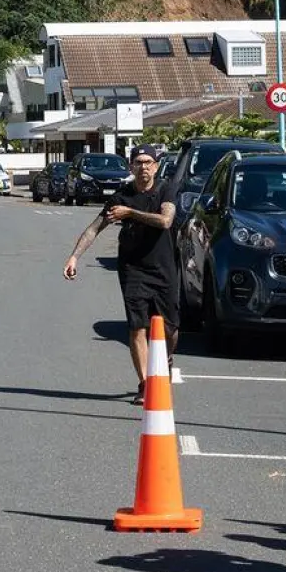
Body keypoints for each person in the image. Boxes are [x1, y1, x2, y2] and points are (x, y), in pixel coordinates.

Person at [63, 144, 178, 404]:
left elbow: (165, 221)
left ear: (156, 167)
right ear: (131, 167)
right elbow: (94, 228)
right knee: (137, 327)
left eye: (149, 162)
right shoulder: (120, 197)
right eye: (138, 162)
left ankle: (166, 359)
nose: (144, 167)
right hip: (133, 269)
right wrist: (74, 256)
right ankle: (146, 384)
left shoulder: (165, 191)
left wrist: (131, 214)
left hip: (164, 268)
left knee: (170, 329)